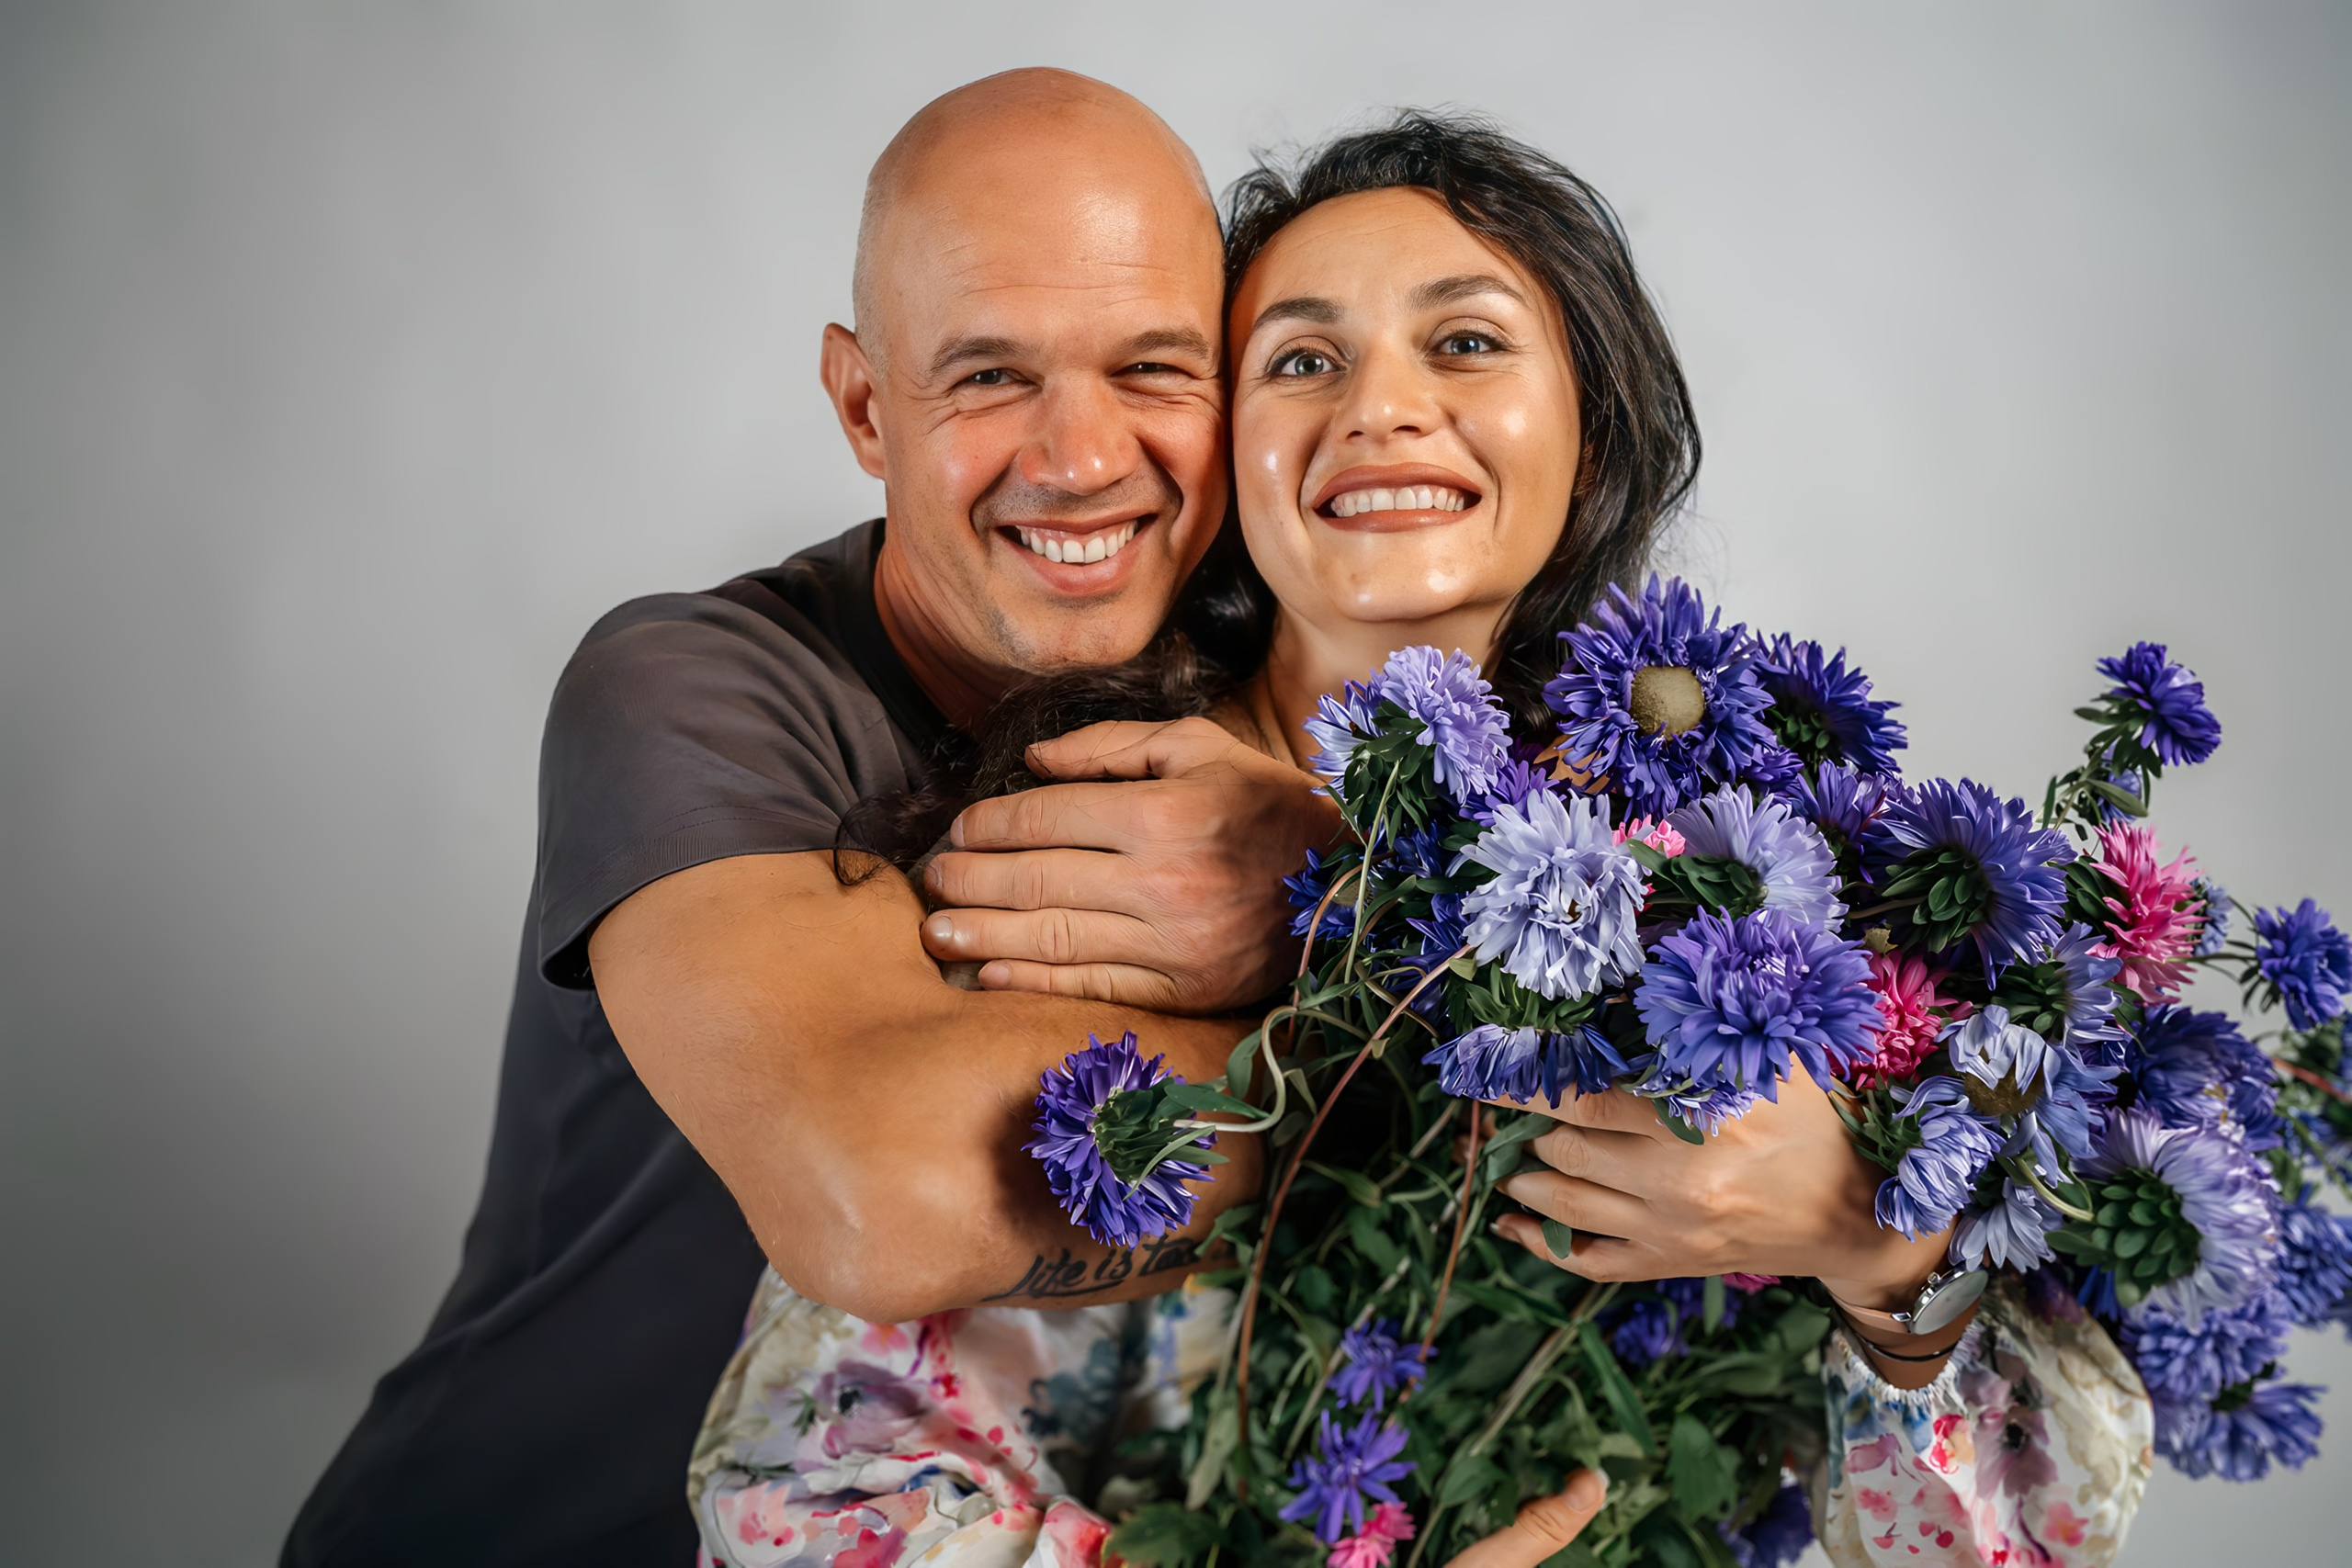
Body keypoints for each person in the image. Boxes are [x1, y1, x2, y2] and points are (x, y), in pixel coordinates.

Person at [689, 112, 2153, 1568]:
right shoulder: (1077, 852)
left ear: (1591, 427)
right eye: (1303, 360)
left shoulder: (1759, 890)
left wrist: (1875, 1244)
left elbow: (2015, 1546)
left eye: (1464, 342)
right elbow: (801, 1487)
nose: (1381, 408)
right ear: (1221, 453)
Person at [283, 69, 1317, 1566]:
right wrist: (1400, 1039)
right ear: (860, 403)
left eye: (1154, 370)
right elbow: (877, 1209)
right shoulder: (693, 689)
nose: (1084, 458)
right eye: (988, 377)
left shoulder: (1264, 690)